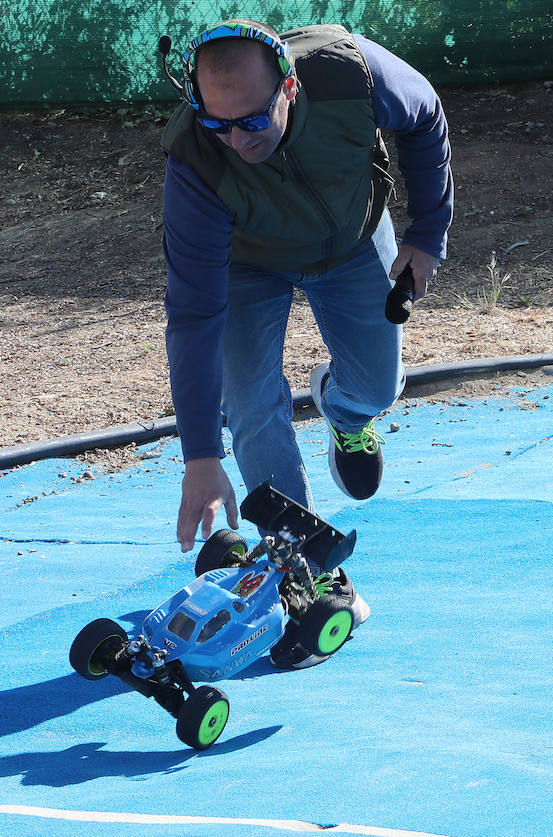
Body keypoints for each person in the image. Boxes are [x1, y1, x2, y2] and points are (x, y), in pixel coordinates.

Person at [159, 20, 453, 667]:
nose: (237, 141)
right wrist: (200, 458)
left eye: (252, 123)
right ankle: (309, 568)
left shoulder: (347, 73)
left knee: (378, 386)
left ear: (289, 86)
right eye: (219, 125)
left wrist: (427, 233)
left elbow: (425, 112)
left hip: (351, 239)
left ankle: (344, 413)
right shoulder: (197, 163)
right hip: (249, 261)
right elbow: (192, 316)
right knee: (250, 399)